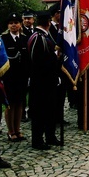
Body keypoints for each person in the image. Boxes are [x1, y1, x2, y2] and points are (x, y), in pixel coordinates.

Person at [28, 10, 63, 149]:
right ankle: (38, 139)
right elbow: (39, 61)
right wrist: (56, 58)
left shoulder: (43, 36)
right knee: (40, 111)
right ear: (48, 22)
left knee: (50, 110)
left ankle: (50, 136)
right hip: (42, 81)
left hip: (48, 80)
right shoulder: (38, 38)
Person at [2, 12, 29, 142]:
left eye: (16, 23)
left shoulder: (24, 38)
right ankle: (10, 130)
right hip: (9, 77)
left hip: (21, 76)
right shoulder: (4, 39)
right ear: (8, 25)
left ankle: (17, 129)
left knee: (20, 103)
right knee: (10, 104)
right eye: (11, 23)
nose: (14, 25)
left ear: (20, 24)